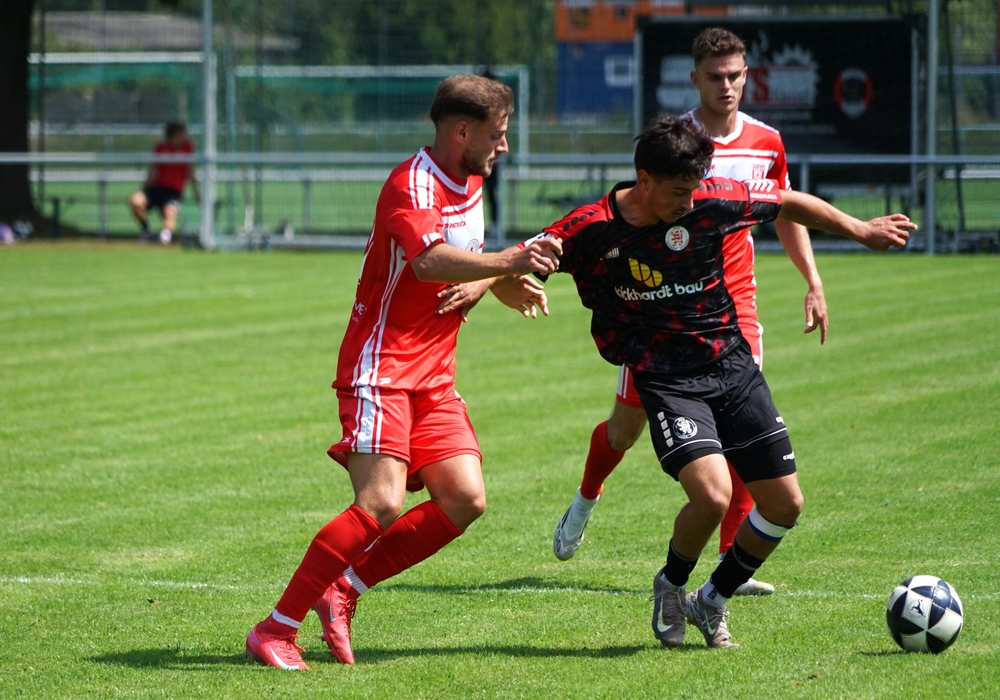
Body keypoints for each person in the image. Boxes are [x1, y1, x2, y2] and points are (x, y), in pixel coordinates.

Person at [537, 115, 913, 648]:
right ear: (644, 180)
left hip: (731, 366)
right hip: (666, 378)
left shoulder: (713, 197)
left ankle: (711, 598)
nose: (688, 203)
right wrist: (503, 283)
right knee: (712, 496)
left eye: (693, 190)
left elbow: (787, 202)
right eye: (677, 192)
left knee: (785, 505)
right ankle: (671, 584)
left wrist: (861, 230)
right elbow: (523, 259)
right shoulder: (590, 228)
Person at [245, 75, 562, 671]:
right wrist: (510, 260)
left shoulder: (472, 180)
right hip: (381, 367)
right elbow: (429, 261)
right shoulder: (410, 183)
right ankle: (274, 629)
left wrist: (497, 280)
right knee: (381, 503)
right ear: (461, 131)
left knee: (464, 498)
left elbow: (466, 262)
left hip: (435, 374)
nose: (504, 146)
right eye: (497, 134)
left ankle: (344, 590)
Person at [552, 28, 827, 599]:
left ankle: (729, 557)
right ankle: (585, 498)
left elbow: (783, 210)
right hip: (660, 314)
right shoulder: (677, 143)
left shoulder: (767, 141)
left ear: (747, 75)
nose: (727, 86)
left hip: (733, 307)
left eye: (736, 75)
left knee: (742, 429)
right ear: (695, 78)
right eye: (716, 76)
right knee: (623, 430)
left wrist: (813, 279)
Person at [128, 122, 199, 245]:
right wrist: (145, 188)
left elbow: (190, 171)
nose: (184, 136)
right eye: (181, 133)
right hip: (156, 188)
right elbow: (153, 169)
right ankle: (146, 232)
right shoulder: (160, 147)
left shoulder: (187, 146)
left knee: (169, 213)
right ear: (173, 135)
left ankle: (164, 240)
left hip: (173, 191)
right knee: (136, 201)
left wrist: (196, 192)